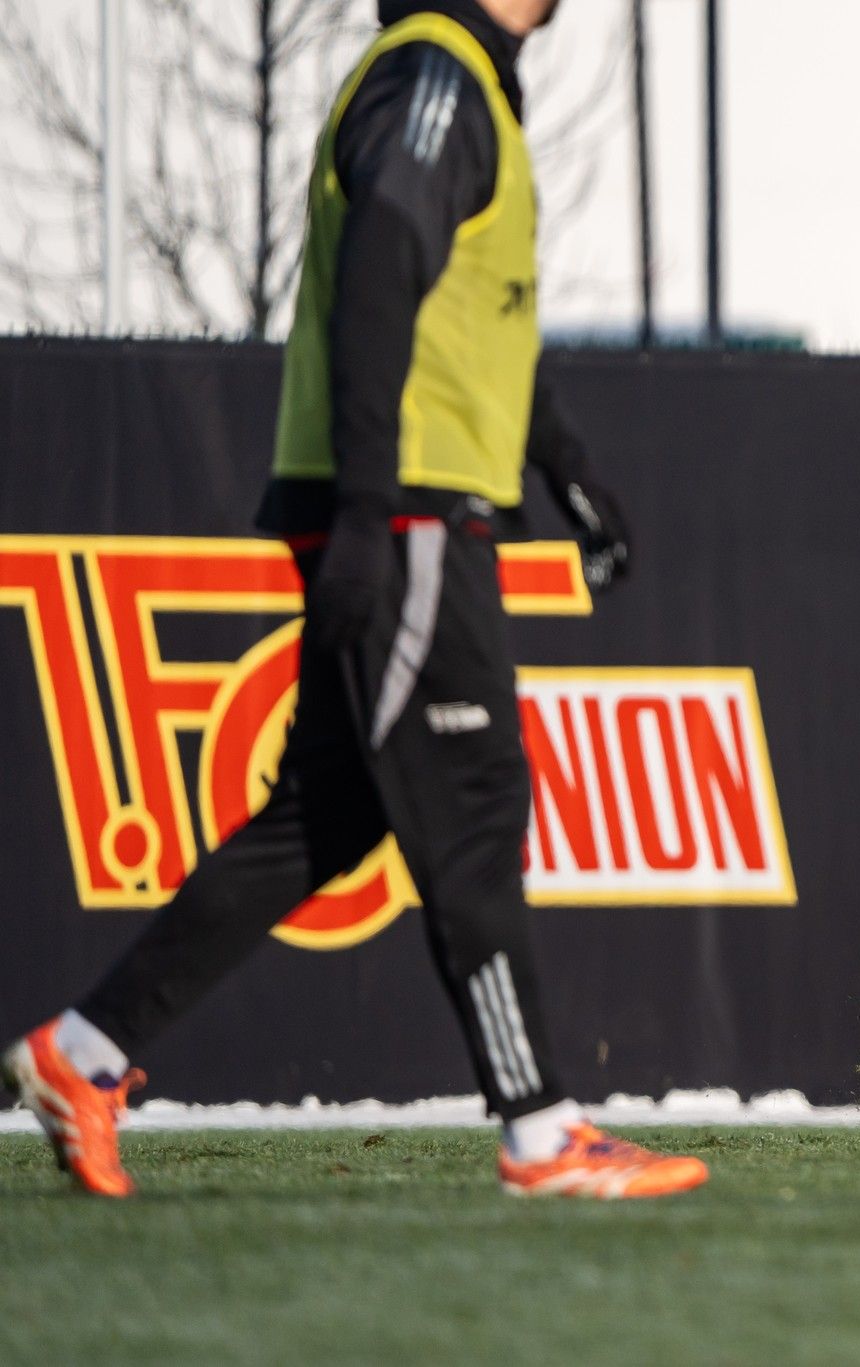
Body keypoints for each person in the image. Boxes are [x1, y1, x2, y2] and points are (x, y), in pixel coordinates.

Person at [1, 0, 705, 1199]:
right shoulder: (435, 72)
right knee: (475, 802)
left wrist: (567, 466)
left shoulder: (461, 80)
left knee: (327, 815)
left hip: (410, 498)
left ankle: (84, 1051)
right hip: (409, 506)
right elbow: (383, 263)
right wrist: (375, 511)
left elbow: (466, 324)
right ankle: (541, 1130)